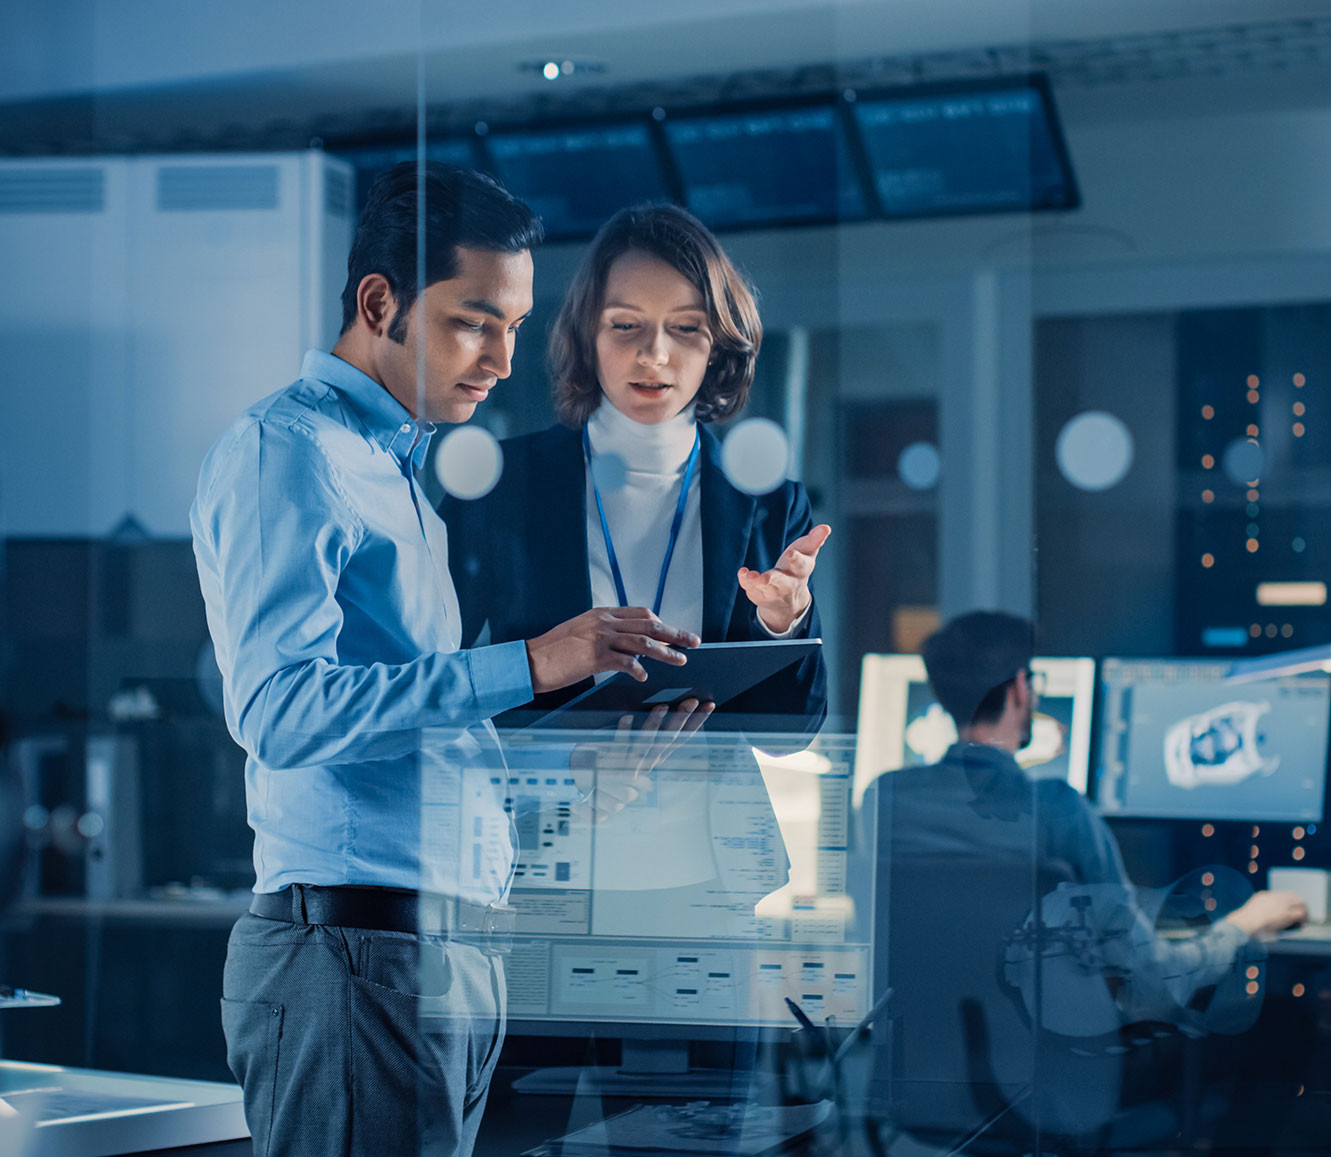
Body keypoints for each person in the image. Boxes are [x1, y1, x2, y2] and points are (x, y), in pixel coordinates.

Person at [190, 163, 703, 1157]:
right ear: (379, 302)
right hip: (352, 951)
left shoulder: (394, 471)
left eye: (513, 325)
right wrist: (534, 663)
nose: (502, 358)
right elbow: (279, 711)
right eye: (474, 320)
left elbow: (407, 746)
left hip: (437, 951)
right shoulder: (286, 452)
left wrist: (566, 788)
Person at [866, 611, 1307, 1141]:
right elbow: (1152, 980)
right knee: (1285, 1029)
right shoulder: (1055, 810)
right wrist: (1245, 925)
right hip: (1053, 1086)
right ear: (1021, 689)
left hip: (925, 1084)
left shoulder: (885, 800)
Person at [440, 202, 828, 729]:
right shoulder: (501, 486)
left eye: (686, 328)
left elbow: (792, 734)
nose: (654, 355)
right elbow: (432, 683)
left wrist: (786, 620)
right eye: (626, 325)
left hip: (708, 808)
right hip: (545, 804)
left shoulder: (772, 505)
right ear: (587, 335)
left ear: (717, 345)